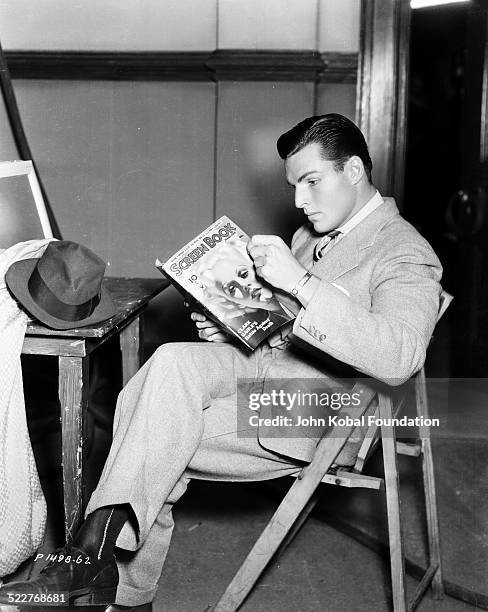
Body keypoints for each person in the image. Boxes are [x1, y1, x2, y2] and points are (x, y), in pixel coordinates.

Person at [0, 114, 442, 610]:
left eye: (312, 182)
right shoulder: (307, 238)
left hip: (324, 412)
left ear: (355, 170)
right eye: (295, 185)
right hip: (274, 378)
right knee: (169, 365)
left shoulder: (405, 252)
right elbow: (282, 337)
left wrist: (299, 282)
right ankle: (101, 563)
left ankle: (107, 574)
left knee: (155, 432)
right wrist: (231, 328)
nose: (299, 200)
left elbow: (401, 355)